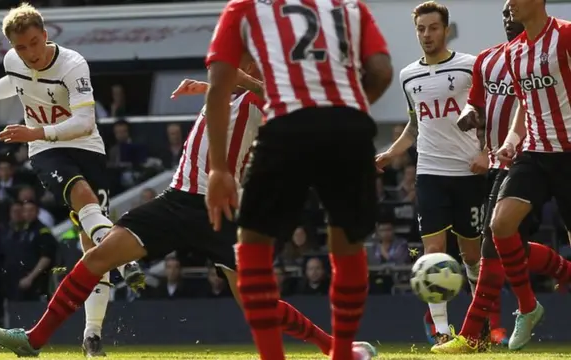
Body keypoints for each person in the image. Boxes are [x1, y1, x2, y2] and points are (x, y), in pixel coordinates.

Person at [0, 63, 378, 359]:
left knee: (259, 304)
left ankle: (337, 349)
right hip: (176, 200)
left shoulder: (269, 98)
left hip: (219, 212)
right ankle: (33, 340)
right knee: (97, 256)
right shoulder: (233, 93)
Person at [0, 3, 144, 356]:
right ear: (12, 48)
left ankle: (92, 336)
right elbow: (14, 81)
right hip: (45, 150)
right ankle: (126, 261)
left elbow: (84, 123)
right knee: (83, 197)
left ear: (46, 36)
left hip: (86, 147)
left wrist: (33, 130)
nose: (30, 54)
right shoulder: (13, 61)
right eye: (22, 48)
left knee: (92, 249)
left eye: (35, 43)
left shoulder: (73, 65)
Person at [204, 0, 393, 358]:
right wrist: (351, 113)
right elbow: (382, 71)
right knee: (347, 245)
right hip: (348, 128)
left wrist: (219, 169)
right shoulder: (351, 7)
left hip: (286, 125)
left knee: (253, 246)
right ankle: (341, 353)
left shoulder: (244, 8)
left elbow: (218, 85)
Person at [432, 1, 571, 353]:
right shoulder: (510, 54)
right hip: (531, 153)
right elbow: (524, 104)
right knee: (500, 227)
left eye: (515, 1)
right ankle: (523, 308)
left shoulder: (566, 36)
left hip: (568, 154)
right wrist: (510, 142)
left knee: (501, 249)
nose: (509, 7)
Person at [375, 1, 484, 346]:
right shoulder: (409, 75)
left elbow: (486, 112)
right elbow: (414, 125)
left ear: (446, 29)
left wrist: (485, 151)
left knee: (472, 256)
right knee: (433, 254)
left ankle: (478, 327)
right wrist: (391, 153)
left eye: (433, 28)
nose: (426, 34)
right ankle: (440, 333)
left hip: (469, 172)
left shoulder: (470, 67)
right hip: (430, 172)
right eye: (421, 29)